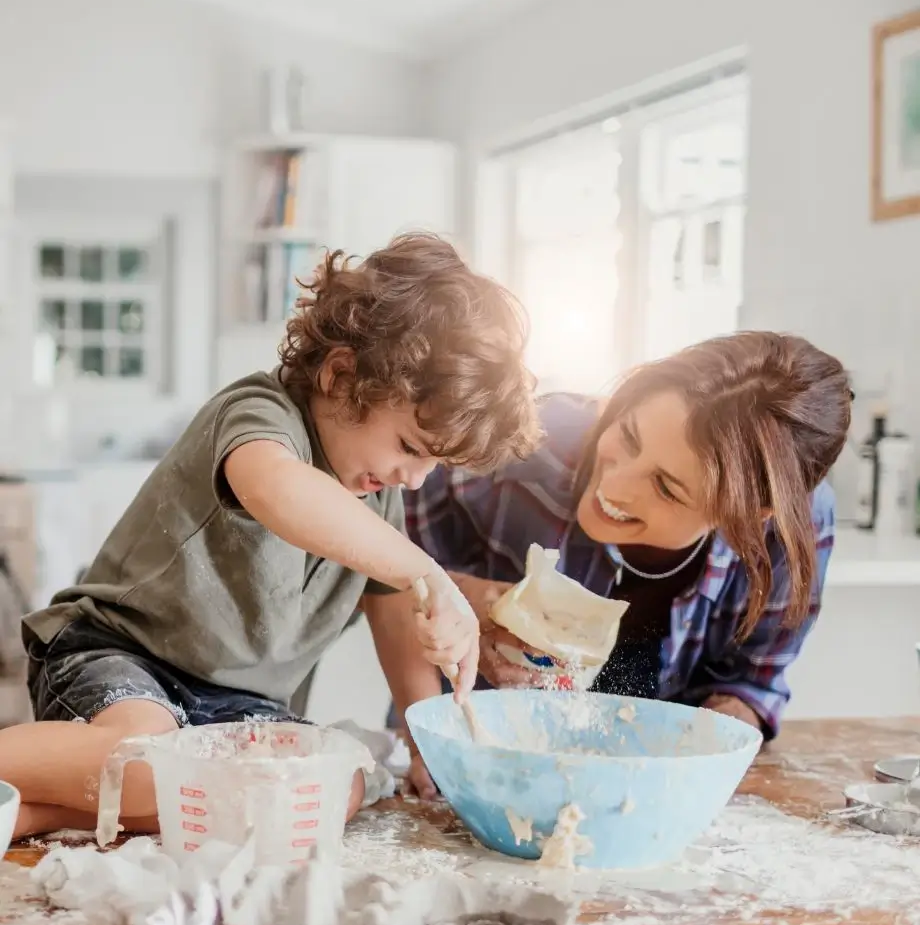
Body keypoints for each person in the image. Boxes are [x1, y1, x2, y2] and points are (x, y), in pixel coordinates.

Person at [0, 233, 540, 839]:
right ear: (341, 375)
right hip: (122, 657)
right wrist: (428, 573)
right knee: (148, 764)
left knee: (328, 790)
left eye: (433, 464)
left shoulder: (377, 493)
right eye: (410, 448)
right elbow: (279, 490)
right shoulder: (263, 413)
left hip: (238, 709)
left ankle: (25, 814)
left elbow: (392, 616)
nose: (413, 480)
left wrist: (424, 743)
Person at [402, 331, 852, 798]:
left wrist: (707, 742)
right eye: (630, 437)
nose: (614, 487)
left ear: (746, 517)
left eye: (667, 487)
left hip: (657, 784)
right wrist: (462, 600)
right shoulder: (525, 441)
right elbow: (373, 572)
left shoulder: (789, 530)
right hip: (472, 760)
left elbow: (751, 678)